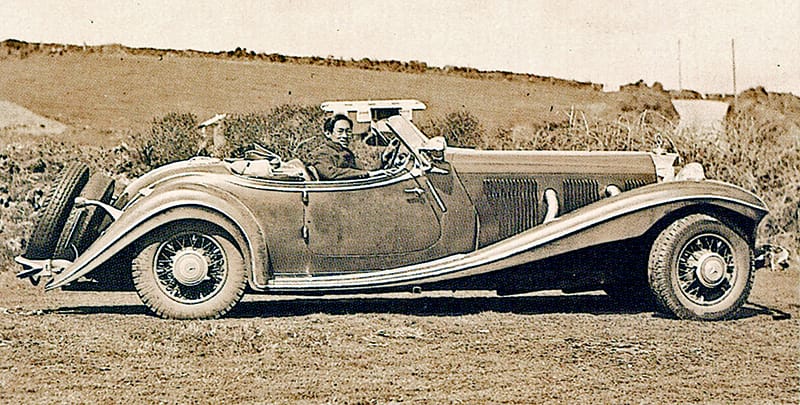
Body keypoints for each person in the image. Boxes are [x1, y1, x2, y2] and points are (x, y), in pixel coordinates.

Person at [308, 114, 374, 180]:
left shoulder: (347, 153)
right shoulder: (322, 153)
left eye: (348, 132)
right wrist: (362, 173)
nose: (345, 136)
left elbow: (362, 169)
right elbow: (329, 173)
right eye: (340, 131)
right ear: (328, 133)